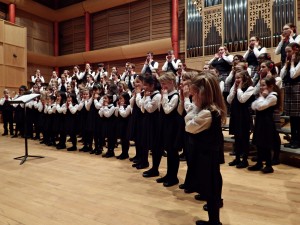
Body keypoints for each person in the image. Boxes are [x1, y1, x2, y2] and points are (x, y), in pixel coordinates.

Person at [185, 72, 226, 225]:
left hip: (207, 156)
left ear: (203, 94)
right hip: (207, 155)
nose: (191, 97)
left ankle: (214, 222)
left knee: (211, 187)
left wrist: (191, 113)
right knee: (210, 187)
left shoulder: (207, 113)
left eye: (193, 94)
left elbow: (189, 126)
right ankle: (213, 220)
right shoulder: (207, 110)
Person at [249, 76, 281, 173]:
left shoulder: (273, 96)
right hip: (259, 122)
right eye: (261, 85)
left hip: (267, 123)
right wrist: (261, 98)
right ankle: (259, 163)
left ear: (270, 86)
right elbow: (253, 106)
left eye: (263, 85)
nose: (261, 87)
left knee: (266, 144)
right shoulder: (264, 96)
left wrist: (262, 97)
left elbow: (261, 107)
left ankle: (268, 165)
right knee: (259, 143)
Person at [156, 72, 182, 187]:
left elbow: (167, 110)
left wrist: (165, 96)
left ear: (171, 82)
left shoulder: (175, 96)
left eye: (164, 83)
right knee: (169, 152)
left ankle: (173, 177)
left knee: (173, 152)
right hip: (166, 126)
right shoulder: (166, 94)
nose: (162, 86)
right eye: (161, 83)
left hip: (173, 128)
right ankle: (168, 174)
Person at [227, 70, 255, 168]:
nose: (236, 80)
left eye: (239, 78)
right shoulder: (234, 87)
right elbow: (229, 100)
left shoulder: (250, 88)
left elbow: (242, 99)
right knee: (237, 138)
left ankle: (244, 160)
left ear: (245, 78)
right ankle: (237, 158)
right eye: (236, 78)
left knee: (244, 139)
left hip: (244, 115)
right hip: (235, 114)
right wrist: (234, 90)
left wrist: (238, 89)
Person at [139, 73, 162, 175]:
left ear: (152, 85)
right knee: (150, 145)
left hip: (155, 124)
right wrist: (145, 98)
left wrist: (146, 98)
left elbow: (150, 109)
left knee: (156, 147)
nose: (144, 87)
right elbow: (143, 109)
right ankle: (152, 167)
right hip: (148, 122)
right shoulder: (149, 95)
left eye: (146, 85)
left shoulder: (157, 96)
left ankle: (155, 168)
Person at [280, 42, 300, 149]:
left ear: (296, 49)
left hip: (297, 88)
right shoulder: (288, 61)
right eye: (286, 51)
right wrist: (287, 64)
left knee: (298, 118)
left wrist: (292, 63)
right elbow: (282, 75)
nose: (287, 53)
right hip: (289, 89)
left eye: (289, 51)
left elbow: (293, 75)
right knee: (292, 118)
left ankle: (297, 141)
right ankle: (293, 139)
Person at [116, 92, 131, 160]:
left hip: (126, 124)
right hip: (120, 124)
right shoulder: (121, 106)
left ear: (126, 99)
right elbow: (117, 114)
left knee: (125, 139)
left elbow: (124, 115)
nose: (120, 100)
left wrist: (121, 106)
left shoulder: (128, 106)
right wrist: (118, 106)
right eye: (119, 99)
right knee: (122, 139)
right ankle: (123, 152)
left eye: (121, 98)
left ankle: (125, 153)